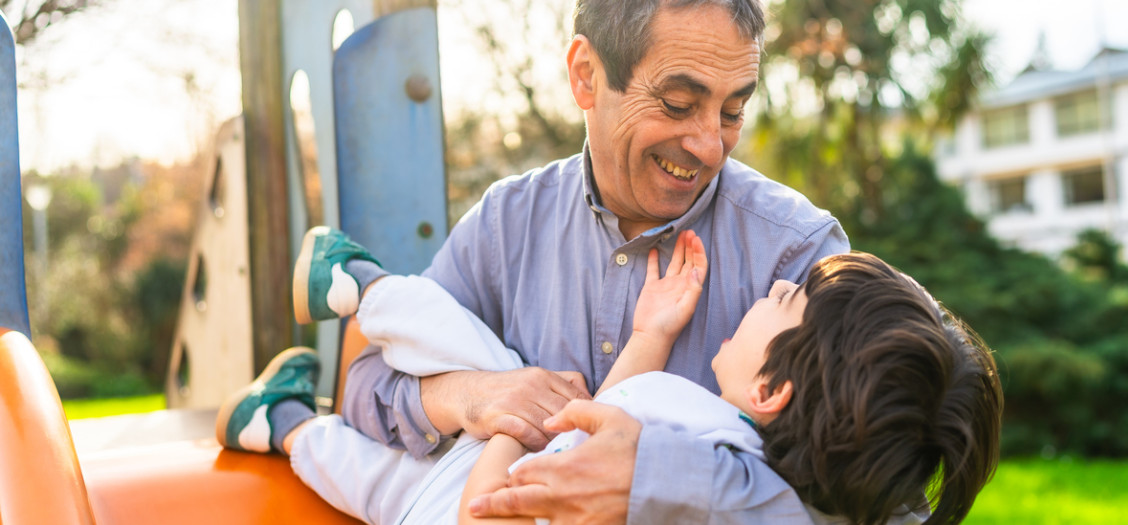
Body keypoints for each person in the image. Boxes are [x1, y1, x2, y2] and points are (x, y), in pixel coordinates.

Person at [219, 0, 852, 522]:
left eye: (734, 110)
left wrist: (660, 481)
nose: (711, 145)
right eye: (679, 104)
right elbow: (364, 385)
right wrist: (473, 397)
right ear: (586, 75)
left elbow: (885, 499)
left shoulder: (797, 254)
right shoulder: (508, 222)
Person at [218, 228, 1001, 525]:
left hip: (473, 490)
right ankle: (282, 424)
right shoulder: (795, 487)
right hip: (454, 498)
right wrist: (652, 331)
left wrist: (500, 423)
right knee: (362, 477)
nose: (768, 290)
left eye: (784, 300)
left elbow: (485, 512)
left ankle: (359, 284)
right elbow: (618, 410)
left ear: (771, 390)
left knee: (497, 371)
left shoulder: (685, 418)